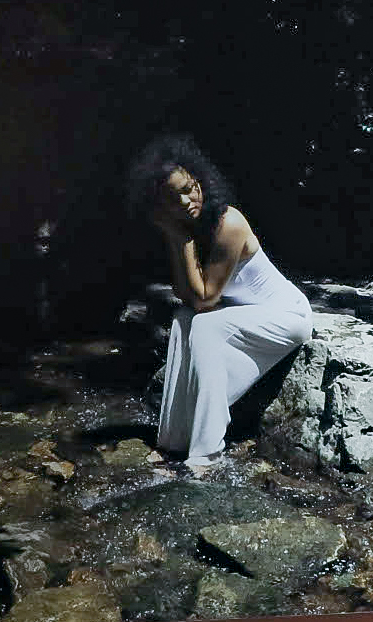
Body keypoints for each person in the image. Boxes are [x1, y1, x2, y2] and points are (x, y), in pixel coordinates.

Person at [125, 133, 314, 470]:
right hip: (249, 314)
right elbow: (187, 297)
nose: (185, 201)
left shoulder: (229, 222)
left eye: (188, 189)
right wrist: (176, 238)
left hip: (288, 316)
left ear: (201, 180)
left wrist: (180, 241)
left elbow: (206, 299)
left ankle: (207, 453)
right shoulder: (188, 227)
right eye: (173, 199)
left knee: (205, 322)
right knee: (183, 318)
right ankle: (172, 440)